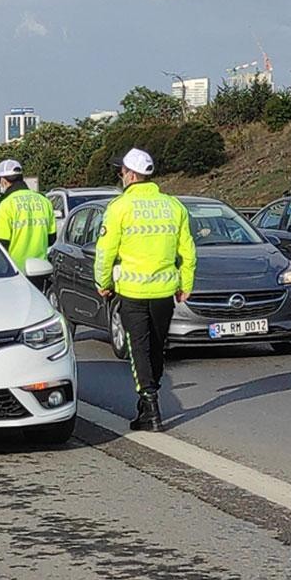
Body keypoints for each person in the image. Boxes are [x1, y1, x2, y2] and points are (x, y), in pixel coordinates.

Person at [93, 148, 196, 432]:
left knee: (139, 348)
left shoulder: (118, 208)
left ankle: (150, 406)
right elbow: (187, 250)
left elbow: (105, 252)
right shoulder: (174, 206)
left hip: (133, 291)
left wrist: (102, 283)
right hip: (164, 292)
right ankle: (148, 400)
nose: (120, 176)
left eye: (122, 171)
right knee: (156, 348)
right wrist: (186, 283)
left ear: (131, 175)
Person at [0, 159, 56, 288]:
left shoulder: (6, 205)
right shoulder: (43, 201)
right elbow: (51, 239)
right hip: (40, 271)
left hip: (15, 273)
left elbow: (0, 244)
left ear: (3, 181)